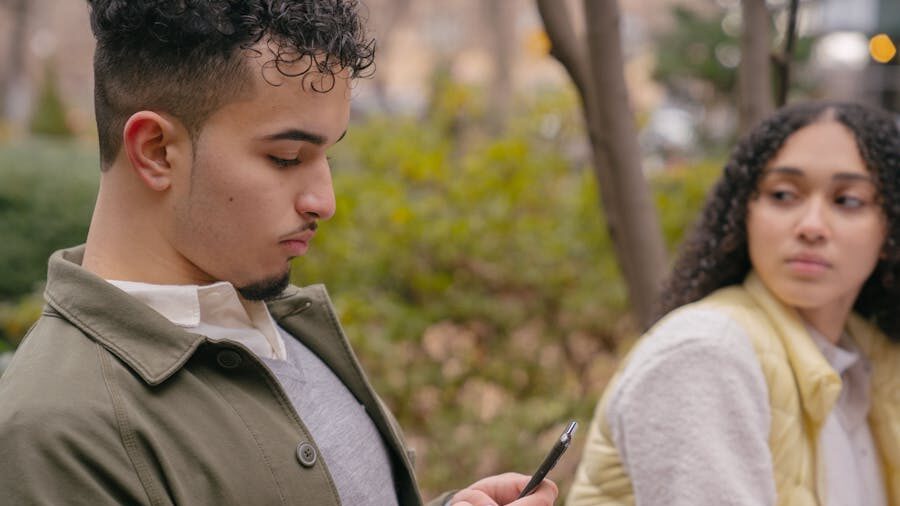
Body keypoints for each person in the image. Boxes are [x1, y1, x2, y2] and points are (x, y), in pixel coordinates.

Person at [0, 2, 557, 505]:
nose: (326, 202)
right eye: (288, 157)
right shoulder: (54, 433)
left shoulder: (281, 322)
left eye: (327, 157)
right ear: (156, 151)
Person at [567, 101, 900, 506]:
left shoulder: (873, 364)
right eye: (783, 194)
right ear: (745, 212)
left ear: (890, 228)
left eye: (847, 200)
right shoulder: (706, 353)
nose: (811, 226)